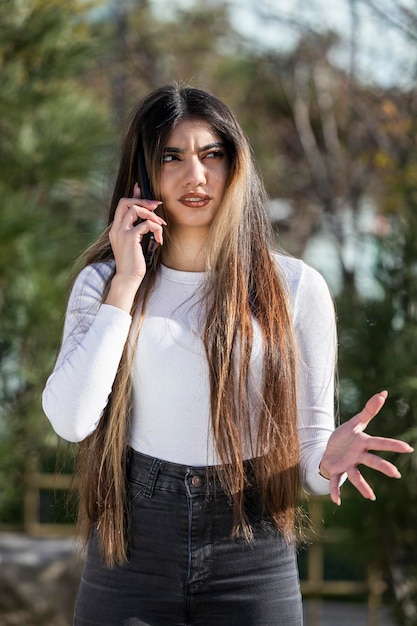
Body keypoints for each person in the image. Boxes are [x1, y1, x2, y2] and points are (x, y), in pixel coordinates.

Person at [42, 84, 413, 626]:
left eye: (211, 154)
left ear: (236, 165)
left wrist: (326, 458)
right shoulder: (103, 284)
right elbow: (73, 422)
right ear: (142, 175)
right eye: (171, 156)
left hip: (252, 542)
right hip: (132, 545)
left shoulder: (295, 288)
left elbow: (310, 456)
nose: (195, 176)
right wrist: (125, 285)